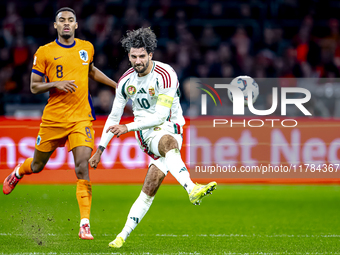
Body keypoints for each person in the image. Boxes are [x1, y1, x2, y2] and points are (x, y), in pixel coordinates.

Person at [89, 28, 217, 248]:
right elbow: (113, 117)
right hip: (148, 133)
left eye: (141, 56)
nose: (137, 61)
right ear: (128, 56)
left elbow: (160, 116)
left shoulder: (166, 74)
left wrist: (127, 127)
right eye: (133, 57)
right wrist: (100, 148)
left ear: (150, 54)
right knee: (167, 143)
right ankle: (191, 188)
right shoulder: (125, 82)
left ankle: (121, 236)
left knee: (150, 186)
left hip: (170, 126)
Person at [2, 7, 117, 240]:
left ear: (76, 25)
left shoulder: (87, 48)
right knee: (37, 166)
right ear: (55, 25)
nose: (66, 23)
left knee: (82, 165)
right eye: (62, 20)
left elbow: (91, 71)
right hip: (54, 118)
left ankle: (84, 223)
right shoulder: (44, 52)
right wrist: (56, 84)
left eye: (70, 20)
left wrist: (117, 86)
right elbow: (34, 86)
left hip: (81, 117)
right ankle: (17, 172)